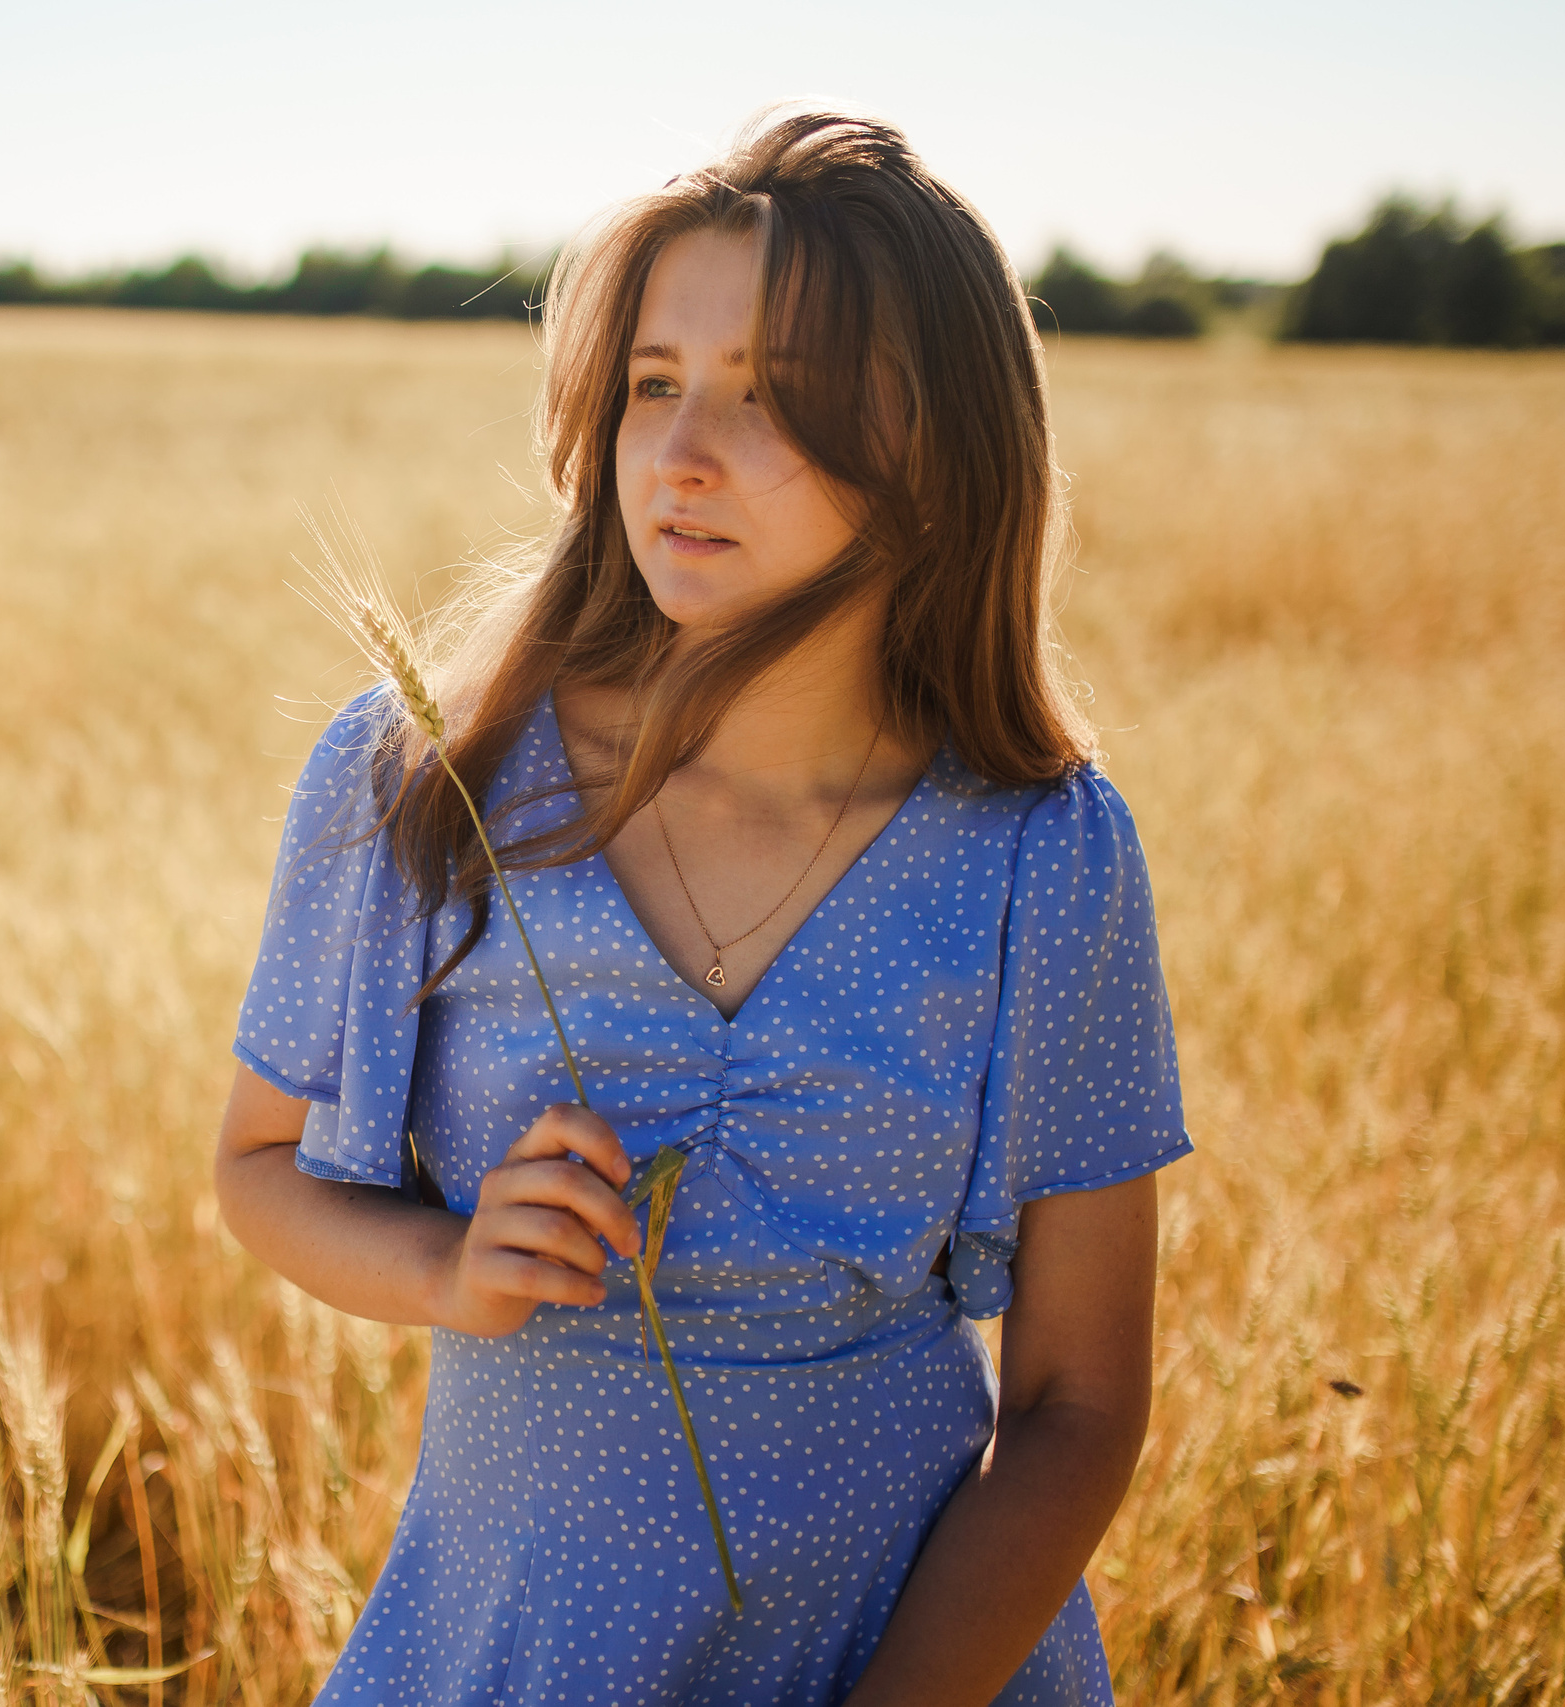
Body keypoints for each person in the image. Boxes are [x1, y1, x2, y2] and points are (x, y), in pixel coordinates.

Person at [215, 107, 1190, 1706]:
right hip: (517, 1650)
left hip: (908, 1667)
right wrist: (449, 1271)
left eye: (775, 398)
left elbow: (1082, 1399)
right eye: (655, 384)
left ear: (939, 447)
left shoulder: (1043, 853)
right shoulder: (427, 779)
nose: (681, 454)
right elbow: (255, 1168)